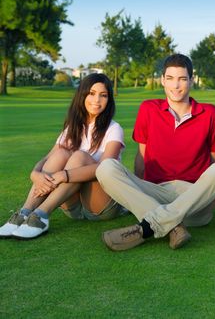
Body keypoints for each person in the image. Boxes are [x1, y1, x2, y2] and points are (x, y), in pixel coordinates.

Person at [96, 54, 215, 251]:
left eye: (182, 79)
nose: (176, 86)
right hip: (155, 193)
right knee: (106, 167)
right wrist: (135, 190)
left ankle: (148, 227)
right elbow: (141, 156)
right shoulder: (148, 109)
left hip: (193, 199)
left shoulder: (209, 113)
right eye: (170, 78)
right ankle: (172, 225)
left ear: (192, 81)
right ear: (162, 80)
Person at [0, 73, 126, 239]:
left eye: (103, 95)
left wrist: (64, 175)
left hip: (101, 207)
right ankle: (25, 212)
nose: (97, 100)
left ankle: (42, 215)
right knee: (60, 153)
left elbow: (105, 167)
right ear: (82, 95)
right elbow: (48, 158)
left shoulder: (114, 129)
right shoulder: (72, 127)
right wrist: (35, 174)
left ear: (109, 100)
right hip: (73, 207)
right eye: (91, 93)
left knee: (79, 157)